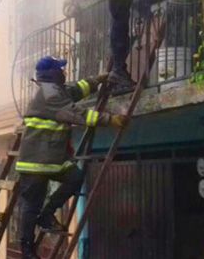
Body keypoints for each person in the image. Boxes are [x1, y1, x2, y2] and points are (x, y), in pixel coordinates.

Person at [16, 56, 129, 259]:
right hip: (35, 164)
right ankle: (27, 250)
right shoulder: (51, 96)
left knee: (75, 178)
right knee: (30, 207)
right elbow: (76, 113)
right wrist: (109, 119)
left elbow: (76, 91)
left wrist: (98, 79)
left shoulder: (54, 91)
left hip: (51, 160)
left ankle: (47, 214)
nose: (64, 72)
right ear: (52, 74)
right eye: (60, 69)